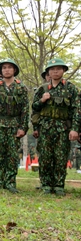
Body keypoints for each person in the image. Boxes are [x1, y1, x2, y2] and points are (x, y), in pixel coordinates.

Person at [31, 58, 80, 196]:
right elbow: (34, 107)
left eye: (58, 68)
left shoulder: (71, 88)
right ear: (48, 72)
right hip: (45, 128)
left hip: (63, 128)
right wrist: (42, 100)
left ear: (63, 70)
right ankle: (46, 184)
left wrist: (75, 129)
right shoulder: (42, 89)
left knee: (61, 157)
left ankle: (59, 185)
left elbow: (76, 109)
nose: (55, 71)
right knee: (45, 156)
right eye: (52, 69)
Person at [0, 58, 29, 193]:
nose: (7, 70)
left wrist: (23, 127)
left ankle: (10, 182)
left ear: (14, 70)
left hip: (14, 125)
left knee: (12, 154)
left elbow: (25, 109)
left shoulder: (21, 87)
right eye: (4, 68)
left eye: (9, 67)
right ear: (0, 71)